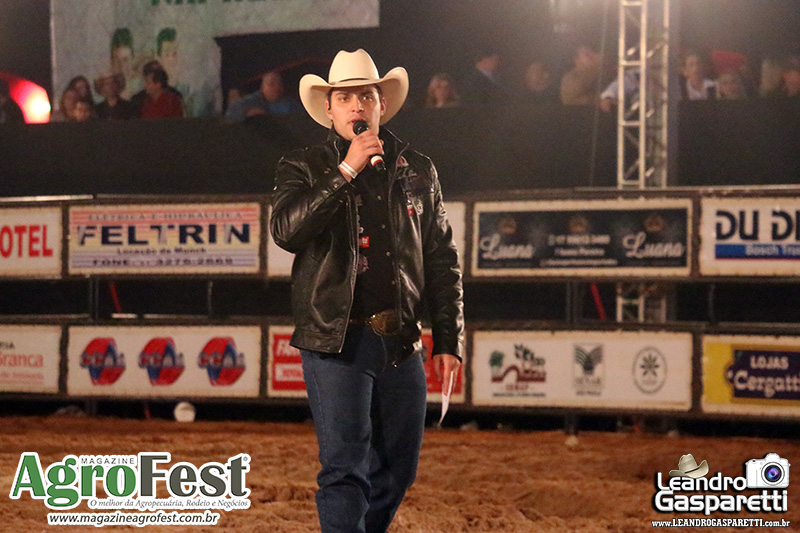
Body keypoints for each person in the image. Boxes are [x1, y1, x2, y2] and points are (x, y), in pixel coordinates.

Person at [270, 49, 464, 533]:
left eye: (366, 96)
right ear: (329, 109)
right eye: (344, 98)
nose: (356, 105)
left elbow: (441, 257)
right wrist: (345, 172)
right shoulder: (304, 165)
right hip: (337, 344)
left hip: (401, 343)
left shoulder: (418, 169)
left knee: (398, 469)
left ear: (382, 105)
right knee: (344, 469)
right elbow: (286, 231)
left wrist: (449, 338)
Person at [225, 71, 301, 121]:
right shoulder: (253, 101)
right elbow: (231, 112)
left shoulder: (290, 104)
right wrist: (246, 113)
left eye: (279, 84)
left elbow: (302, 117)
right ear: (262, 87)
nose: (276, 87)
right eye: (271, 84)